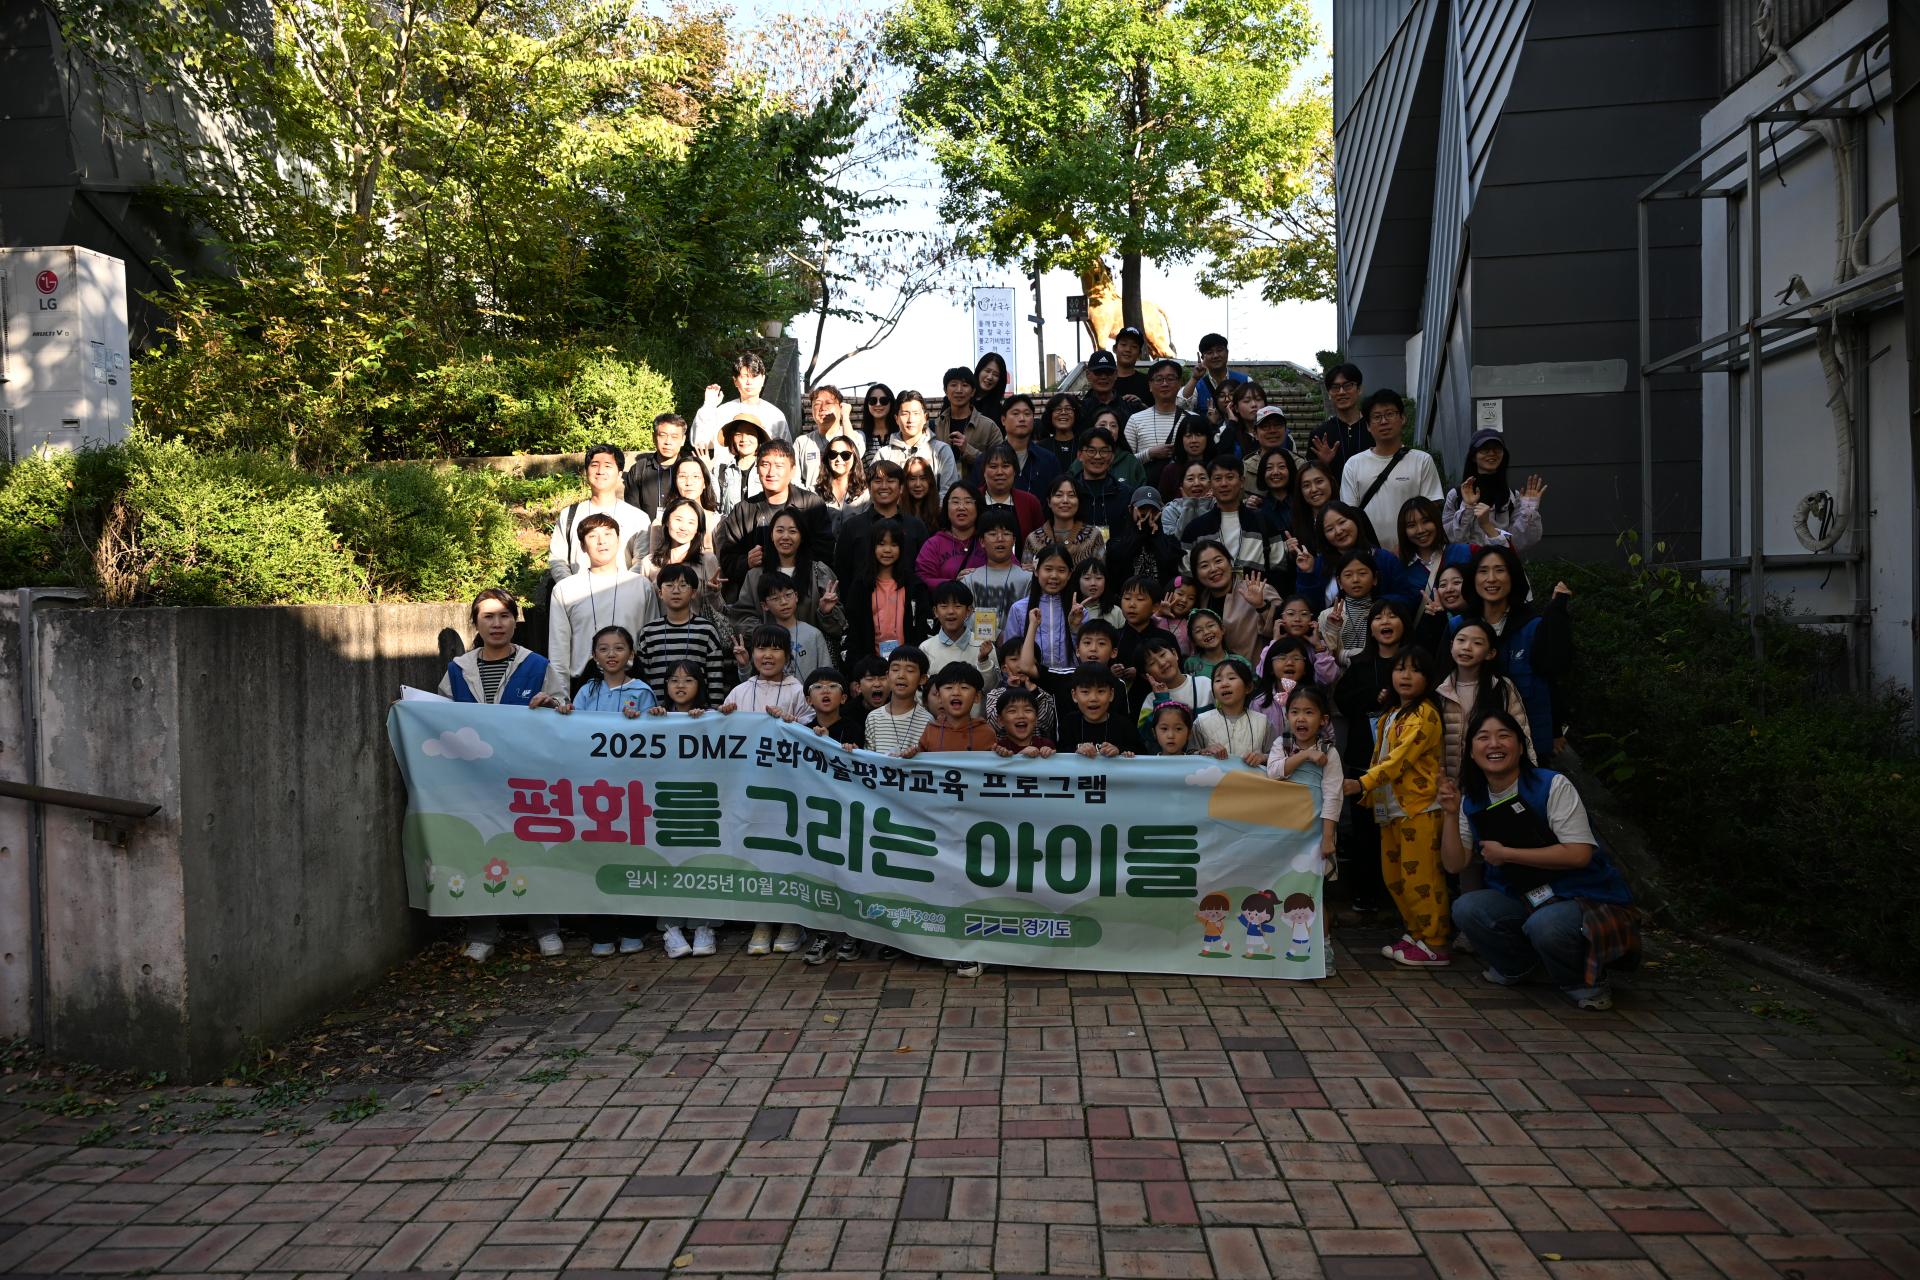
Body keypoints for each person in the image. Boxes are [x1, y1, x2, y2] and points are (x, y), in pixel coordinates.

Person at [1442, 709, 1638, 1011]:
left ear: (1521, 746)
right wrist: (1450, 814)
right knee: (1467, 908)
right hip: (1522, 897)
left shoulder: (1553, 785)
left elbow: (1579, 854)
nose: (1494, 744)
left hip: (1581, 895)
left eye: (1504, 736)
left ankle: (1584, 982)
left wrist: (1507, 854)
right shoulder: (1472, 799)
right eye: (1483, 738)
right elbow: (1454, 864)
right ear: (1470, 751)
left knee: (1546, 924)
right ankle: (1520, 967)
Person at [442, 589, 565, 962]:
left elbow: (565, 712)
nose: (497, 624)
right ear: (476, 623)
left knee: (533, 848)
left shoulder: (538, 665)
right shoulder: (457, 669)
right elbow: (439, 717)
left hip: (528, 779)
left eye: (505, 616)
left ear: (515, 621)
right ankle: (482, 933)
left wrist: (552, 704)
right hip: (474, 781)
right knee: (478, 850)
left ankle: (546, 928)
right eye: (488, 616)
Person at [1345, 647, 1449, 966]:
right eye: (1400, 668)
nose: (1406, 676)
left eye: (1415, 670)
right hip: (1390, 809)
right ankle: (1416, 933)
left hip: (1420, 808)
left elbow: (1398, 760)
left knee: (1422, 879)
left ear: (1428, 678)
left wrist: (1362, 783)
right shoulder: (1392, 712)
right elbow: (1381, 756)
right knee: (1395, 878)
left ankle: (1435, 941)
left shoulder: (1426, 714)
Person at [1455, 546, 1574, 764]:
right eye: (1483, 571)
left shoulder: (1533, 626)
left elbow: (1551, 678)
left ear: (1514, 577)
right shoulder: (1458, 627)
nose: (1491, 578)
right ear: (1473, 578)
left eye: (1500, 570)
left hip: (1527, 746)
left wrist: (1555, 730)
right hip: (1468, 745)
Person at [713, 439, 837, 602]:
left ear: (792, 470)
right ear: (757, 468)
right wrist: (747, 562)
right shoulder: (743, 510)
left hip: (804, 595)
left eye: (779, 466)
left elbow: (825, 552)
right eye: (765, 464)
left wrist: (789, 558)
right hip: (759, 599)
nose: (771, 472)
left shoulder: (811, 505)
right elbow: (727, 559)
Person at [549, 514, 660, 685]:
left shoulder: (641, 585)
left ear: (618, 540)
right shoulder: (565, 589)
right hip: (583, 684)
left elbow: (652, 641)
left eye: (608, 534)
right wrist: (559, 695)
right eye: (593, 536)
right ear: (582, 546)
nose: (601, 541)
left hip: (633, 683)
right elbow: (558, 650)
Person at [1339, 389, 1445, 545]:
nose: (1384, 421)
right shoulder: (1353, 464)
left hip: (1413, 551)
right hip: (1370, 553)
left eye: (1390, 414)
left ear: (1402, 418)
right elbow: (1349, 514)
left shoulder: (1422, 460)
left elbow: (1431, 508)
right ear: (1368, 425)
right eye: (1377, 417)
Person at [731, 509, 846, 648]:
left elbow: (838, 627)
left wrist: (826, 613)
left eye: (792, 531)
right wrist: (769, 636)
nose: (785, 537)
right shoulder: (755, 575)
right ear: (771, 535)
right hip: (769, 654)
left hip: (811, 653)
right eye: (780, 531)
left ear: (802, 536)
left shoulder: (819, 573)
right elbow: (741, 618)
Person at [1438, 619, 1535, 782]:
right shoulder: (1439, 689)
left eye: (1477, 643)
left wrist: (1530, 777)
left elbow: (1522, 734)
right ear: (1451, 646)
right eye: (1461, 640)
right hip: (1448, 784)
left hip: (1491, 781)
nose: (1467, 647)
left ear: (1490, 653)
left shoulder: (1501, 687)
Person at [1267, 683, 1342, 878]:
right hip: (1283, 826)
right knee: (1283, 877)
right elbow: (1273, 772)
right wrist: (1305, 755)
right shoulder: (1281, 744)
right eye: (1295, 712)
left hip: (1315, 829)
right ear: (1287, 716)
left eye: (1309, 712)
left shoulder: (1329, 752)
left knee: (1312, 880)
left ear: (1323, 720)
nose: (1301, 718)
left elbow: (1333, 797)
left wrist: (1327, 838)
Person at [548, 444, 650, 583]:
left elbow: (642, 560)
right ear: (586, 472)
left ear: (619, 474)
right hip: (579, 593)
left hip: (624, 592)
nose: (600, 471)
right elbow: (558, 559)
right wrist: (571, 588)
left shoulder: (638, 517)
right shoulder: (569, 515)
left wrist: (624, 587)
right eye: (595, 465)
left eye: (608, 466)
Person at [1181, 456, 1288, 585]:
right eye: (1217, 479)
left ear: (1242, 481)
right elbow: (1187, 574)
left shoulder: (1264, 523)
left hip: (1258, 595)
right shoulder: (1195, 529)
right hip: (1211, 597)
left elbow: (1279, 568)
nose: (1224, 484)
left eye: (1230, 477)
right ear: (1210, 484)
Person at [637, 562, 732, 703]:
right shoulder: (648, 632)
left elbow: (715, 678)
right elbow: (643, 679)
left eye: (683, 585)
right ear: (660, 593)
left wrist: (714, 710)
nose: (676, 591)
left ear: (693, 593)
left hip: (698, 712)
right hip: (658, 711)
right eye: (669, 585)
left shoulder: (706, 630)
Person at [844, 518, 934, 662]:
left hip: (908, 663)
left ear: (901, 548)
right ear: (872, 547)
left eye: (894, 544)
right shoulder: (861, 585)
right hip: (870, 665)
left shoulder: (914, 585)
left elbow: (923, 626)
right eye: (881, 544)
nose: (887, 550)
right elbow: (853, 628)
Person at [1443, 428, 1547, 552]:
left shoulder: (1512, 497)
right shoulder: (1456, 495)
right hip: (1466, 562)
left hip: (1500, 562)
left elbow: (1519, 542)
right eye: (1485, 449)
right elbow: (1452, 539)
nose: (1492, 453)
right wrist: (1467, 507)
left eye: (1497, 449)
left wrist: (1529, 510)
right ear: (1473, 456)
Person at [835, 459, 929, 586]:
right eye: (878, 481)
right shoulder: (852, 527)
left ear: (901, 488)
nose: (884, 486)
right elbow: (842, 573)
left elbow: (924, 571)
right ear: (869, 487)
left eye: (890, 481)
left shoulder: (916, 526)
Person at [1005, 544, 1079, 701]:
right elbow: (1010, 653)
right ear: (1036, 571)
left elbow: (1083, 654)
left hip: (1070, 687)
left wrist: (1074, 628)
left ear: (1070, 574)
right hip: (1029, 688)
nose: (1054, 576)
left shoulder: (1078, 611)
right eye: (1048, 569)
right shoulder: (1019, 609)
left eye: (1061, 570)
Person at [1186, 539, 1280, 660]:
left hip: (1255, 669)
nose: (1213, 569)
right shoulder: (1200, 599)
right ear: (1196, 574)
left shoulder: (1258, 589)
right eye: (1204, 566)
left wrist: (1261, 606)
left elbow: (1284, 630)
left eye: (1218, 561)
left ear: (1230, 563)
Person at [691, 351, 791, 457]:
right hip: (725, 467)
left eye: (754, 376)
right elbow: (700, 442)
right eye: (744, 377)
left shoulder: (775, 415)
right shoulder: (723, 411)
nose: (749, 382)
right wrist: (708, 405)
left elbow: (787, 454)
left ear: (763, 379)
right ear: (735, 381)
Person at [741, 571, 833, 679]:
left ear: (796, 596)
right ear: (765, 605)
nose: (784, 602)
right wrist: (744, 666)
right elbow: (752, 683)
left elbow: (827, 675)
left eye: (788, 595)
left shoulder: (813, 634)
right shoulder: (763, 637)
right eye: (775, 598)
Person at [958, 508, 1034, 638]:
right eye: (993, 534)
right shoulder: (968, 580)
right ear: (982, 541)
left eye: (1006, 534)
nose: (1000, 539)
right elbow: (963, 617)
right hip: (976, 647)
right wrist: (997, 635)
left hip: (1018, 646)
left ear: (1014, 540)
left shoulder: (1028, 579)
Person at [557, 625, 657, 719]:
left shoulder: (642, 691)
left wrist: (636, 718)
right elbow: (576, 723)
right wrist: (567, 712)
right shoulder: (586, 691)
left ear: (631, 654)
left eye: (619, 648)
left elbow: (650, 726)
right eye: (603, 649)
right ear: (595, 656)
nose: (611, 654)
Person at [871, 390, 959, 497]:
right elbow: (873, 491)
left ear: (925, 418)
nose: (910, 419)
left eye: (916, 413)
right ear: (896, 419)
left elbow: (948, 491)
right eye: (905, 414)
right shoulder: (883, 454)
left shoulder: (941, 450)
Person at [1193, 657, 1271, 765]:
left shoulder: (1263, 722)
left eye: (1231, 678)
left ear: (1248, 687)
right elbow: (1189, 757)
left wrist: (1263, 757)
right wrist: (1204, 751)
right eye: (1218, 680)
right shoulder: (1201, 722)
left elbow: (1276, 758)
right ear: (1213, 692)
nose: (1224, 684)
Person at [924, 580, 996, 695]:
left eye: (957, 606)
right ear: (935, 611)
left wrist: (983, 661)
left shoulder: (984, 646)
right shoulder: (926, 647)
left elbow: (992, 690)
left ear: (969, 611)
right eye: (944, 606)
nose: (951, 611)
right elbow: (922, 691)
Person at [1397, 496, 1473, 602]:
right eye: (1411, 525)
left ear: (1436, 521)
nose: (1420, 530)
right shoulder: (1400, 570)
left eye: (1425, 521)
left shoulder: (1466, 552)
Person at [987, 393, 1061, 499]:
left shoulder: (1049, 460)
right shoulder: (988, 459)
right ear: (1003, 420)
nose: (1022, 418)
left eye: (1027, 414)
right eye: (1015, 413)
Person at [916, 480, 988, 587]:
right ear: (946, 507)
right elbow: (922, 579)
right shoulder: (934, 544)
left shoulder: (990, 539)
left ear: (978, 507)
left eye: (968, 502)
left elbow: (1009, 569)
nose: (961, 507)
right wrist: (954, 585)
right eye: (955, 502)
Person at [866, 645, 935, 755]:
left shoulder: (927, 721)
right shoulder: (873, 718)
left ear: (922, 679)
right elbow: (868, 759)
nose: (901, 675)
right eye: (895, 669)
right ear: (888, 675)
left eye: (910, 670)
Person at [1025, 475, 1106, 569]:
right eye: (1058, 495)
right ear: (1049, 502)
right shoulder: (1033, 539)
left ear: (1079, 501)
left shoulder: (1093, 536)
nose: (1065, 500)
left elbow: (1100, 573)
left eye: (1071, 495)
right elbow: (1027, 574)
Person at [795, 385, 866, 492]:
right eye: (817, 404)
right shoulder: (801, 442)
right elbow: (794, 479)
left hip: (848, 500)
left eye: (828, 403)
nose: (823, 408)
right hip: (812, 501)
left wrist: (845, 417)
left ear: (840, 407)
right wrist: (807, 499)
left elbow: (854, 455)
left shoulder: (857, 435)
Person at [1060, 662, 1139, 756]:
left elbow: (1140, 753)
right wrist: (1077, 750)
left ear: (1111, 694)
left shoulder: (1124, 726)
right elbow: (1060, 753)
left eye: (1101, 691)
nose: (1093, 698)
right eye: (1085, 692)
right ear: (1074, 695)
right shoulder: (1069, 723)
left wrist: (1119, 751)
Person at [1308, 363, 1367, 484]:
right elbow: (1310, 478)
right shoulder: (1319, 436)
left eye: (1348, 385)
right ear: (1329, 393)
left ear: (1359, 389)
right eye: (1335, 387)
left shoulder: (1374, 428)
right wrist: (1323, 464)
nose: (1341, 392)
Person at [624, 413, 692, 518]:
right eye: (663, 435)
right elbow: (632, 510)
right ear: (654, 437)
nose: (668, 442)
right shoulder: (639, 469)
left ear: (683, 440)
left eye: (674, 437)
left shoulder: (690, 469)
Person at [1068, 428, 1135, 532]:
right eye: (1091, 451)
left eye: (1104, 451)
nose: (1097, 456)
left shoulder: (1126, 494)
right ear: (1079, 455)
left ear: (1112, 456)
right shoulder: (1068, 493)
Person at [919, 663, 998, 751]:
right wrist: (911, 753)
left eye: (964, 687)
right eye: (949, 687)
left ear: (977, 696)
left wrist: (1001, 754)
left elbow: (994, 758)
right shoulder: (930, 731)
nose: (956, 692)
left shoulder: (986, 733)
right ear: (939, 696)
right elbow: (918, 757)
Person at [1124, 359, 1189, 465]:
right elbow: (1124, 462)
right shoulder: (1135, 420)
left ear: (1179, 383)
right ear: (1150, 385)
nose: (1165, 384)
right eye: (1159, 379)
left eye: (1170, 379)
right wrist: (1149, 454)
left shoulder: (1191, 418)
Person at [938, 365, 1002, 469]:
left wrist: (968, 449)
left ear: (973, 392)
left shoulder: (989, 427)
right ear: (945, 390)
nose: (959, 390)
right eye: (953, 385)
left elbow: (999, 464)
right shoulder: (935, 426)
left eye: (965, 385)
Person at [975, 443, 1045, 538]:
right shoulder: (972, 499)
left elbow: (1040, 540)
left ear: (1014, 471)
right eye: (993, 466)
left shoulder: (1030, 502)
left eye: (1005, 466)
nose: (999, 472)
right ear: (984, 471)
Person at [1178, 332, 1249, 425]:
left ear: (1227, 353)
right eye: (1209, 352)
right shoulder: (1197, 387)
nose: (1215, 355)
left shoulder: (1245, 381)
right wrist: (1194, 378)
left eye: (1219, 350)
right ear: (1202, 357)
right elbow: (1180, 406)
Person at [712, 416, 767, 515]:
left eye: (750, 433)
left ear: (759, 438)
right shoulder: (720, 471)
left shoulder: (768, 469)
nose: (744, 439)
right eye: (738, 434)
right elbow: (714, 508)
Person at [818, 436, 869, 526]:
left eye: (845, 455)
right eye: (833, 454)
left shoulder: (865, 495)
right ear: (827, 458)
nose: (839, 459)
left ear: (855, 458)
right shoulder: (814, 493)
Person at [1077, 350, 1134, 430]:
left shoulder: (1131, 407)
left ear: (1116, 374)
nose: (1103, 377)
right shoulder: (1079, 410)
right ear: (1088, 375)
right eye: (1098, 372)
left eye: (1108, 372)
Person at [992, 686, 1055, 757]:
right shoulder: (999, 749)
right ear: (1001, 720)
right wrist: (1019, 756)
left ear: (1036, 718)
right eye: (1012, 711)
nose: (1021, 715)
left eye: (1028, 710)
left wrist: (1047, 754)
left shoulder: (1046, 745)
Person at [1038, 392, 1083, 472]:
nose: (1063, 412)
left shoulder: (1084, 445)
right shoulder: (1040, 448)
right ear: (1050, 415)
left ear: (1075, 415)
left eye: (1068, 409)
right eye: (1058, 409)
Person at [900, 456, 943, 530]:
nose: (918, 484)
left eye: (923, 478)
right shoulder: (897, 514)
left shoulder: (940, 514)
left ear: (930, 481)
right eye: (912, 479)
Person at [1111, 325, 1152, 402]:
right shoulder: (1104, 381)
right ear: (1115, 349)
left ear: (1139, 354)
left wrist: (1141, 405)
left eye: (1134, 346)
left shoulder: (1148, 383)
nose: (1128, 349)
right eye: (1123, 344)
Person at [974, 351, 1010, 424]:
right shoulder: (963, 399)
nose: (990, 377)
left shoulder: (999, 412)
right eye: (987, 371)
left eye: (996, 375)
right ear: (979, 371)